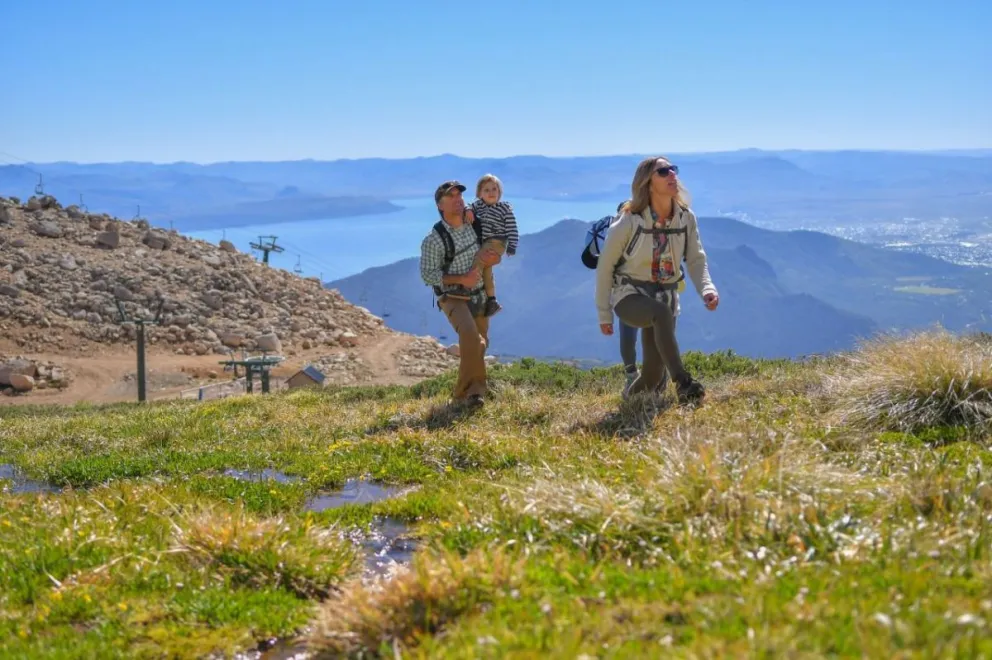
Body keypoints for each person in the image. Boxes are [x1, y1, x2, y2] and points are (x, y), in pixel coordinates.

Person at [594, 156, 719, 404]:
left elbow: (696, 259)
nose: (672, 174)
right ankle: (683, 384)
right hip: (629, 296)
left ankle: (630, 403)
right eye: (663, 171)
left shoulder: (685, 218)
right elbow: (605, 267)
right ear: (648, 183)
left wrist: (707, 288)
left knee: (652, 375)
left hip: (666, 296)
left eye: (673, 169)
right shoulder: (629, 221)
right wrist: (604, 314)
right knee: (661, 313)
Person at [419, 180, 501, 406]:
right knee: (469, 334)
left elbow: (492, 251)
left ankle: (474, 394)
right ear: (440, 206)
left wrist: (495, 258)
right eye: (451, 197)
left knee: (480, 342)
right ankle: (464, 394)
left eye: (459, 196)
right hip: (452, 296)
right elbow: (427, 275)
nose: (457, 200)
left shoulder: (474, 222)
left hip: (479, 293)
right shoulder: (433, 239)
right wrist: (460, 279)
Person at [466, 173, 519, 317]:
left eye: (494, 189)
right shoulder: (478, 206)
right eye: (486, 190)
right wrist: (469, 210)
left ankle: (468, 288)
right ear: (479, 193)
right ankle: (492, 300)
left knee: (479, 259)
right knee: (486, 271)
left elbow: (512, 228)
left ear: (499, 192)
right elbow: (469, 205)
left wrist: (512, 246)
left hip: (497, 242)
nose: (491, 193)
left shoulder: (504, 209)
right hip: (486, 242)